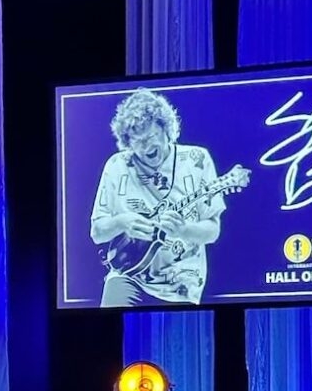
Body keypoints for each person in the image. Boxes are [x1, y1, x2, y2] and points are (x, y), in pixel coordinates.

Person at [89, 88, 237, 307]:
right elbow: (97, 233)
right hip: (127, 273)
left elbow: (212, 232)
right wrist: (122, 222)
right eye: (137, 142)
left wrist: (183, 230)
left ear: (166, 130)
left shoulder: (197, 159)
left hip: (181, 282)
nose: (147, 146)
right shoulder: (117, 165)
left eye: (150, 137)